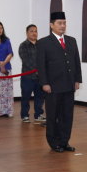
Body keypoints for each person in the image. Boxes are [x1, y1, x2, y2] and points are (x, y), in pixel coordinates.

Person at [36, 12, 82, 153]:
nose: (62, 25)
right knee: (53, 116)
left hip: (69, 84)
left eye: (64, 23)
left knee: (67, 115)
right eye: (59, 23)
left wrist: (77, 79)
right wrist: (44, 83)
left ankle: (64, 141)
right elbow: (41, 65)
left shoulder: (71, 41)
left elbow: (76, 61)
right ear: (52, 25)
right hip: (53, 86)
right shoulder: (43, 42)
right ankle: (54, 142)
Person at [18, 24, 45, 123]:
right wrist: (38, 69)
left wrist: (41, 70)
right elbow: (26, 60)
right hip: (27, 77)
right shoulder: (23, 45)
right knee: (26, 97)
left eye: (35, 31)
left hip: (39, 78)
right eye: (31, 31)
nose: (34, 33)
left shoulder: (41, 45)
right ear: (27, 33)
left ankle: (38, 114)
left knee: (39, 97)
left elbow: (45, 58)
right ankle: (25, 115)